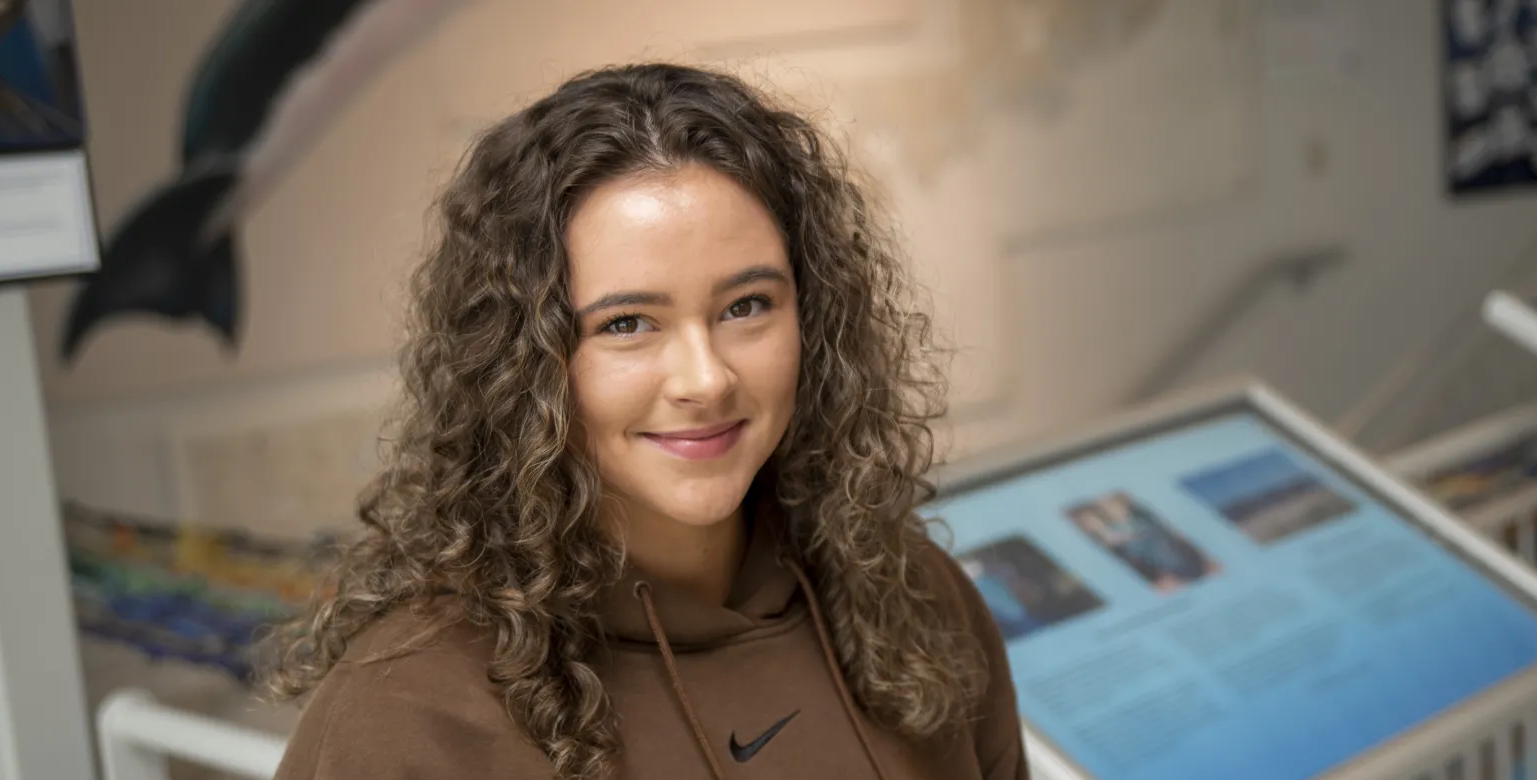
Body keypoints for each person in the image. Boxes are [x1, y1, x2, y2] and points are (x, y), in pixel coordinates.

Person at [263, 63, 1027, 780]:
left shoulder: (913, 598)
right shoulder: (405, 717)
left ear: (814, 321)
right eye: (628, 324)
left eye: (747, 306)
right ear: (518, 364)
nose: (705, 378)